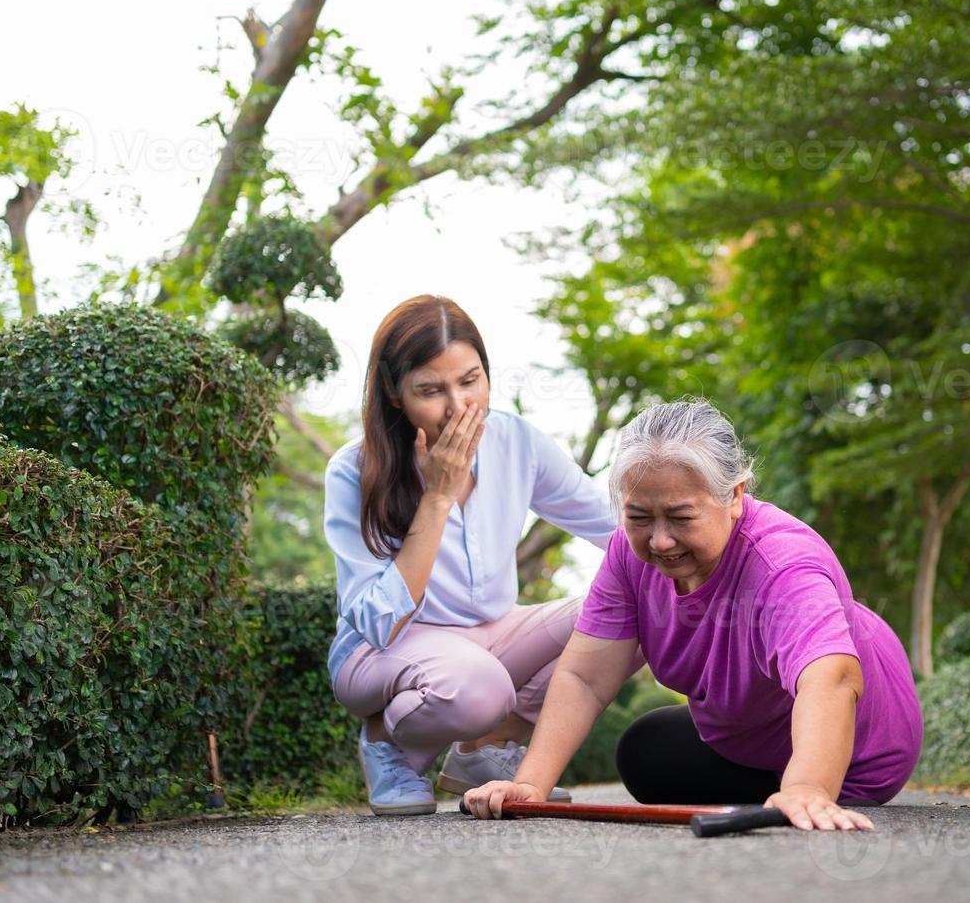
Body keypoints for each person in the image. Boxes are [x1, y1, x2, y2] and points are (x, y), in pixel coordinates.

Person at [463, 400, 924, 831]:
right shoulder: (628, 553)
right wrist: (529, 787)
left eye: (681, 518)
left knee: (790, 789)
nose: (660, 541)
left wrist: (808, 788)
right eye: (640, 517)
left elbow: (832, 680)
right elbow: (586, 676)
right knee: (645, 754)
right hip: (751, 730)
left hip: (860, 747)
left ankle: (797, 787)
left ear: (735, 497)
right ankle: (781, 787)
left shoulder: (783, 564)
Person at [325, 294, 624, 815]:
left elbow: (615, 527)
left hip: (490, 634)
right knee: (478, 686)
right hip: (382, 654)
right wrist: (437, 496)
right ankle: (388, 742)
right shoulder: (354, 469)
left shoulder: (516, 441)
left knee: (633, 608)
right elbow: (376, 621)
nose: (460, 406)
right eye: (430, 390)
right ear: (395, 395)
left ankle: (482, 753)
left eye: (470, 381)